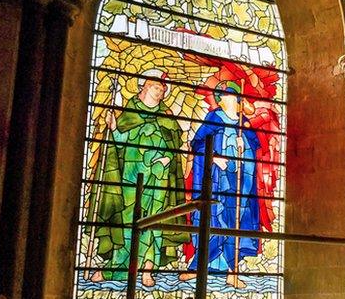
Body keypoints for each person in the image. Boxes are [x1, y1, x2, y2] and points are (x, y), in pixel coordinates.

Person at [91, 68, 189, 287]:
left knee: (154, 222)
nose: (161, 91)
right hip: (130, 177)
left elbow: (174, 146)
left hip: (159, 178)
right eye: (156, 86)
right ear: (144, 85)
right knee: (127, 222)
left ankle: (147, 270)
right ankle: (115, 270)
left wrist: (166, 160)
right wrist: (114, 126)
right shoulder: (129, 112)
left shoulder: (167, 118)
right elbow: (119, 142)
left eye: (163, 88)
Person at [179, 80, 261, 287]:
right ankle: (198, 268)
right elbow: (197, 143)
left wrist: (246, 146)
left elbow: (255, 149)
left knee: (236, 221)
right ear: (220, 100)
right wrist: (214, 157)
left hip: (240, 182)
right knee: (213, 220)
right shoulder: (213, 118)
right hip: (215, 181)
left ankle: (232, 272)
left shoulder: (244, 124)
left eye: (232, 96)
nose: (228, 100)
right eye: (224, 97)